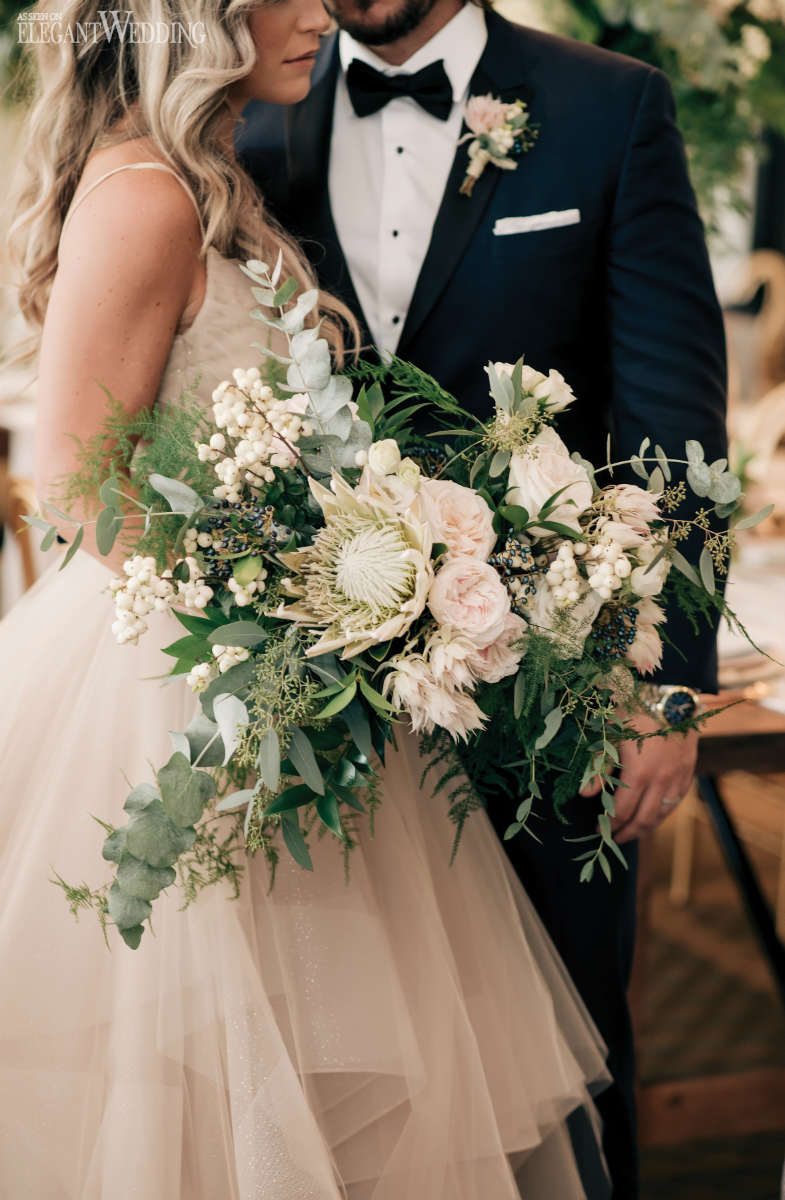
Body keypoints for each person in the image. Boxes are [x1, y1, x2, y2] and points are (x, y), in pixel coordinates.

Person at [0, 0, 612, 1196]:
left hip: (273, 671)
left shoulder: (205, 180)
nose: (317, 11)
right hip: (187, 687)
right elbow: (74, 484)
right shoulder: (147, 198)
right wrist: (288, 603)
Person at [237, 1, 729, 1194]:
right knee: (357, 1071)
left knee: (567, 1053)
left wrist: (668, 687)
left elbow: (671, 422)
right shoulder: (252, 120)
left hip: (548, 692)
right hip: (322, 703)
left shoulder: (608, 107)